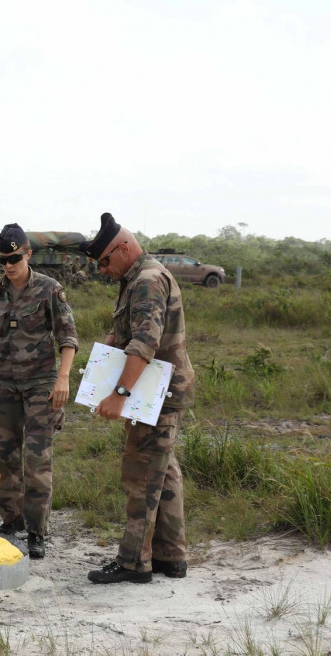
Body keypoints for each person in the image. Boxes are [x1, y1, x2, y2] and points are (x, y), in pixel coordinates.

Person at [79, 213, 194, 584]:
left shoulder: (146, 281)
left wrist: (119, 394)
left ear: (124, 248)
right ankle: (169, 556)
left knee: (141, 473)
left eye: (104, 261)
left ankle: (133, 562)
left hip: (153, 393)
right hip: (163, 390)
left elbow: (145, 344)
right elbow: (127, 335)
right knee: (164, 471)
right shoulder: (137, 278)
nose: (102, 270)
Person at [0, 224, 78, 559]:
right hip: (3, 387)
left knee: (37, 460)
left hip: (41, 386)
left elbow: (67, 337)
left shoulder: (49, 289)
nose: (9, 265)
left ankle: (36, 531)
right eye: (3, 259)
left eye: (15, 258)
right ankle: (11, 520)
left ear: (28, 254)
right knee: (4, 458)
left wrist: (64, 378)